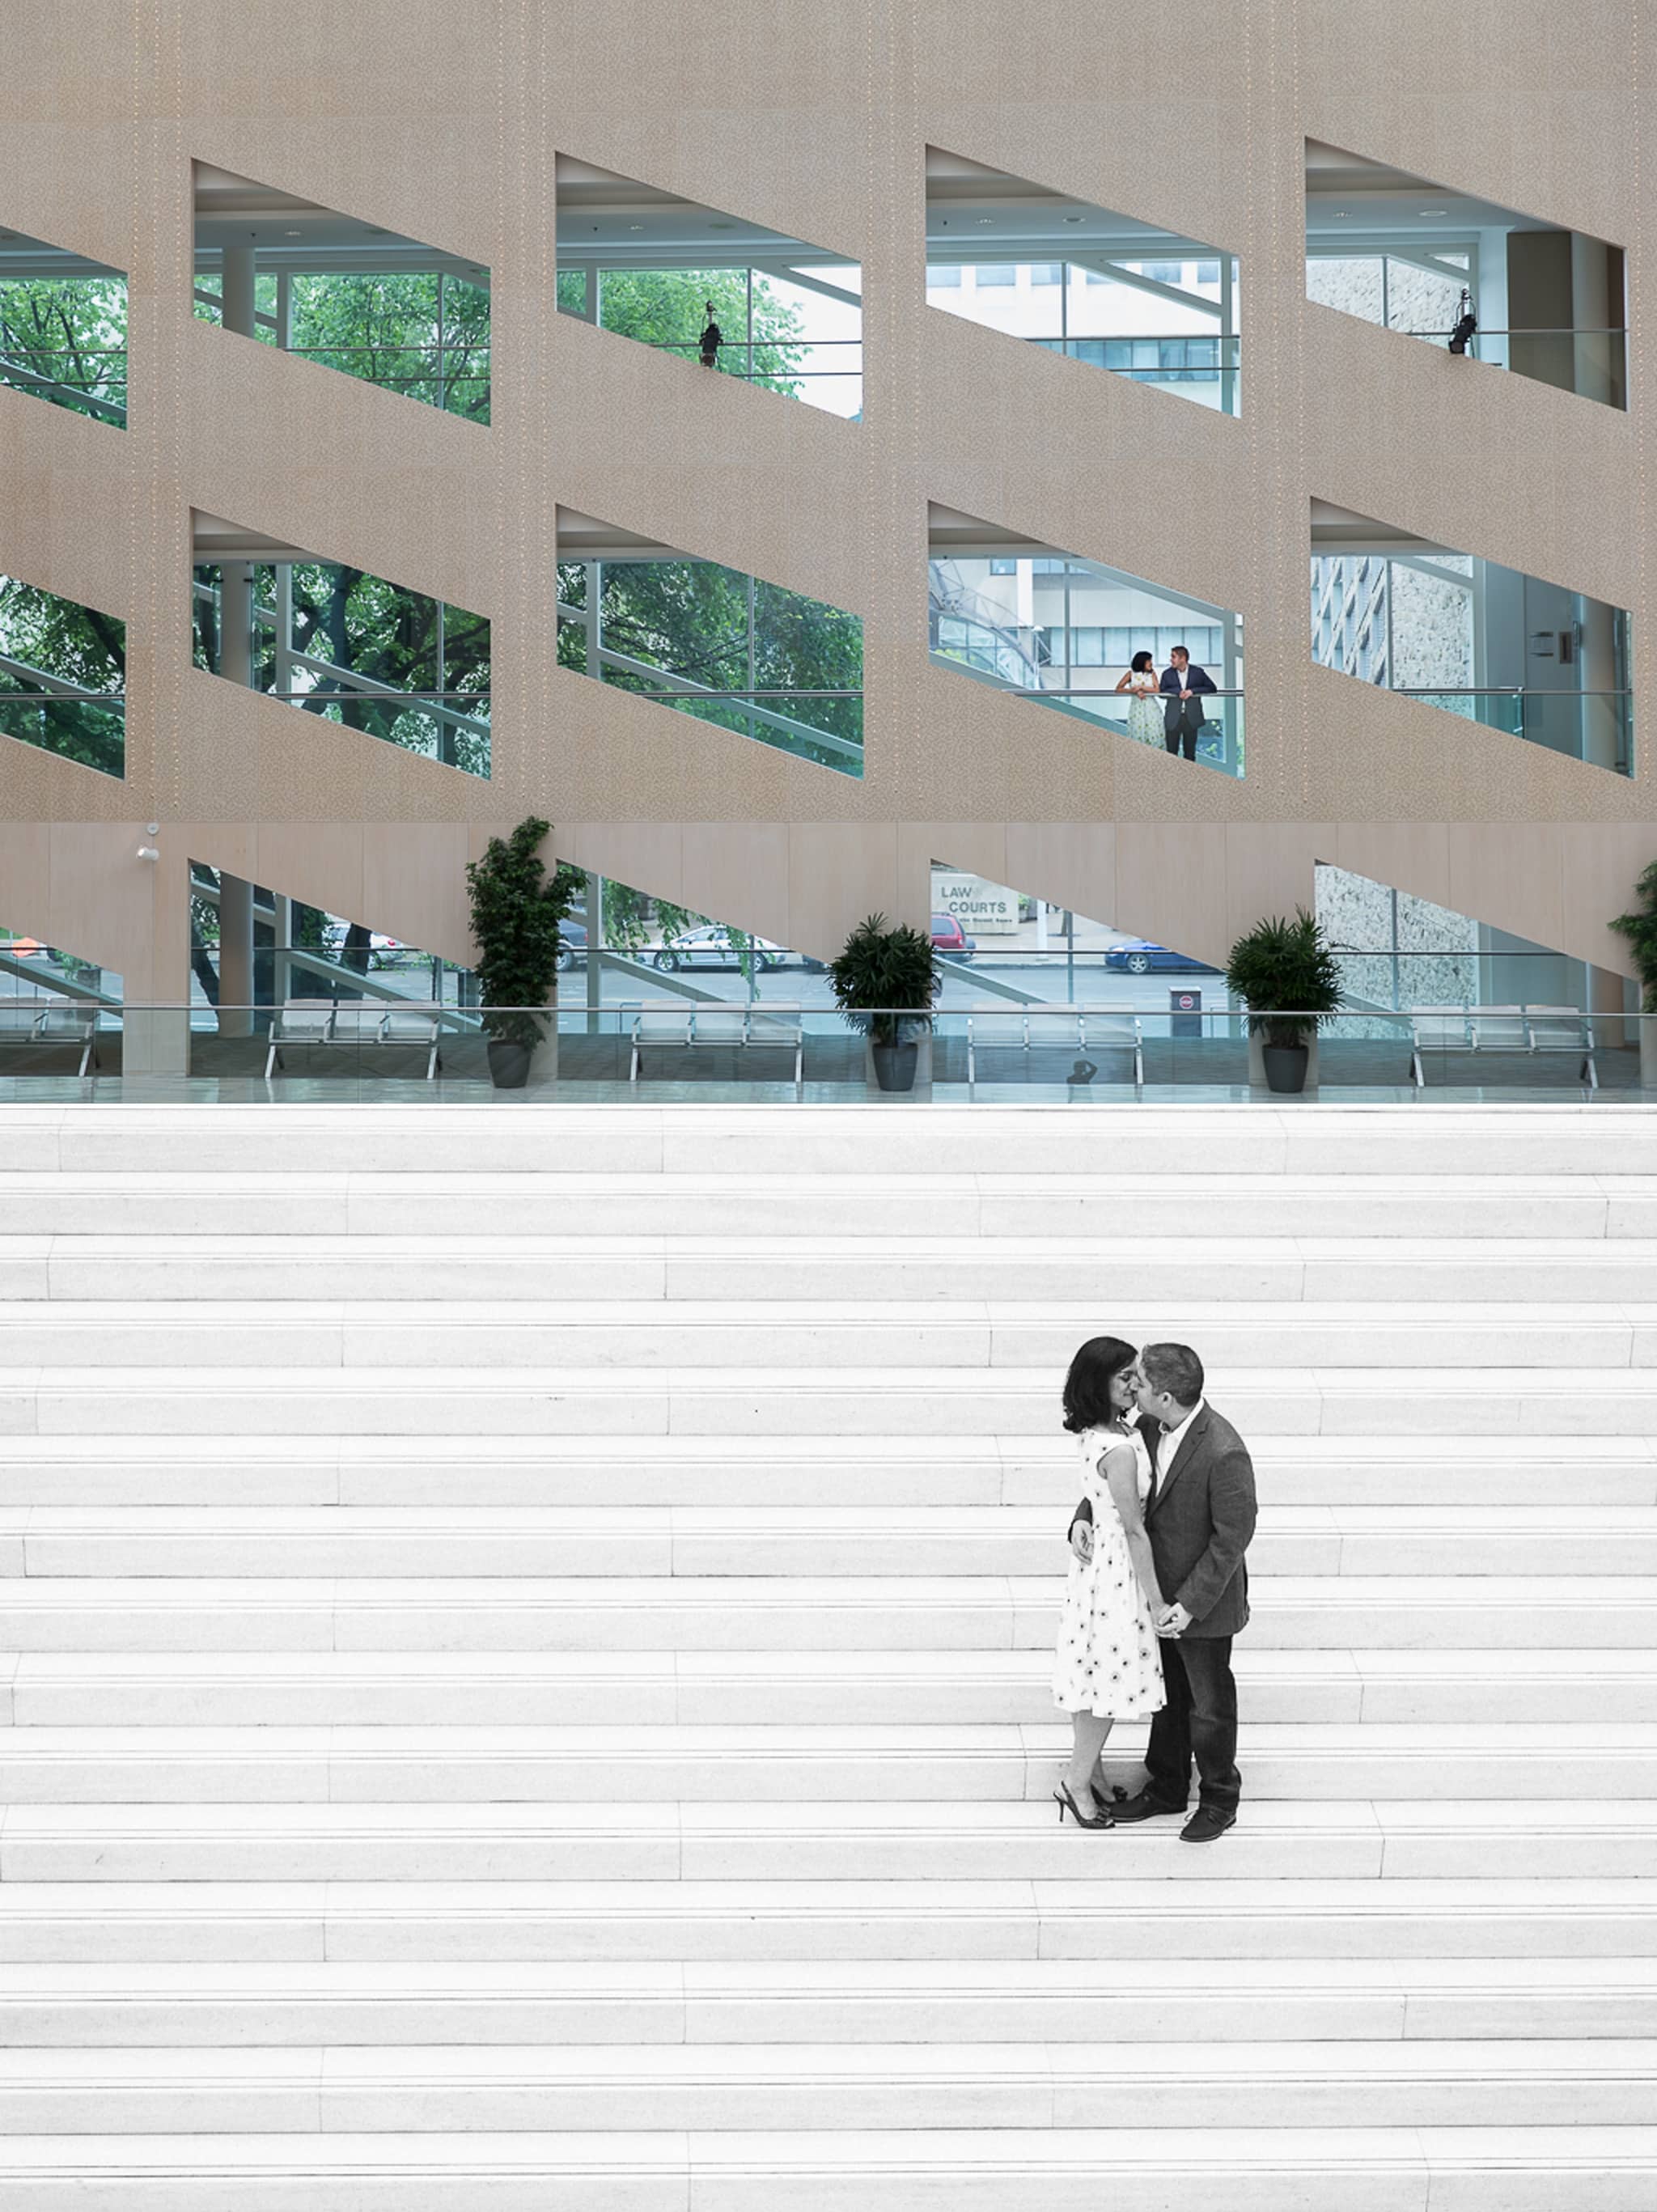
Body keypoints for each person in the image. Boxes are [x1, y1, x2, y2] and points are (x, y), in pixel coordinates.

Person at [1071, 1341, 1257, 1842]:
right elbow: (1114, 1489)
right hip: (1150, 1593)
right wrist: (1082, 1518)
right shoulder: (1147, 1428)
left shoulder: (1224, 1449)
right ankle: (1168, 1785)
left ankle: (1219, 1797)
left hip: (1202, 1604)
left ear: (1168, 1397)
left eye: (1142, 1384)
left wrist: (1189, 1604)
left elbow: (1232, 1539)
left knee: (1208, 1704)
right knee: (1169, 1699)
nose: (1134, 1389)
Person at [1051, 1337, 1168, 1828]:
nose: (1135, 1384)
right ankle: (1079, 1783)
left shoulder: (1109, 1431)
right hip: (1117, 1574)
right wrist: (1158, 1600)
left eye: (1135, 1374)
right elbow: (1134, 1528)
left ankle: (1090, 1773)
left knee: (1093, 1678)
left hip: (1098, 1570)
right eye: (1125, 1377)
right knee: (1106, 1682)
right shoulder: (1118, 1447)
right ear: (1099, 1384)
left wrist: (1083, 1518)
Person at [1159, 646, 1218, 761]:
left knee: (1190, 755)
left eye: (1173, 656)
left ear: (1183, 658)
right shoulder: (1167, 674)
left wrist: (1193, 691)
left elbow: (1212, 688)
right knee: (1171, 755)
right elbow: (1161, 692)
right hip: (1173, 718)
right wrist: (1177, 692)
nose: (1171, 659)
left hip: (1191, 718)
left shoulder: (1198, 672)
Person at [1114, 650, 1164, 748]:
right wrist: (1134, 691)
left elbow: (1157, 690)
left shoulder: (1152, 674)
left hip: (1151, 709)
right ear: (1142, 662)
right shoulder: (1131, 674)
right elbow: (1118, 689)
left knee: (1153, 734)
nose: (1151, 663)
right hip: (1137, 709)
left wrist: (1142, 688)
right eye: (1149, 661)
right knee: (1137, 734)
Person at [697, 303, 723, 370]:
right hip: (710, 351)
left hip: (706, 351)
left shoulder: (707, 335)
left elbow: (701, 340)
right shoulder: (716, 334)